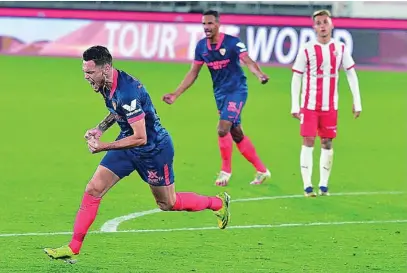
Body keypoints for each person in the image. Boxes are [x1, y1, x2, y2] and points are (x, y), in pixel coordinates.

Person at [44, 45, 230, 263]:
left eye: (89, 72)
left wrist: (103, 146)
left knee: (167, 203)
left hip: (153, 150)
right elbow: (117, 111)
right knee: (94, 189)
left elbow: (140, 137)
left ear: (105, 69)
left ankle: (217, 204)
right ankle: (73, 247)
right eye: (84, 72)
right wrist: (100, 128)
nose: (86, 77)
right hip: (127, 145)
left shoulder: (128, 92)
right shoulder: (105, 84)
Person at [162, 10, 271, 187]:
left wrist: (259, 75)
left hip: (237, 90)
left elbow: (247, 60)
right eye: (204, 24)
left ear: (218, 24)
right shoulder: (201, 47)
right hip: (220, 93)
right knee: (236, 133)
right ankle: (262, 170)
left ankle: (225, 171)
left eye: (210, 23)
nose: (206, 27)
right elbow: (193, 73)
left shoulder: (232, 42)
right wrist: (176, 94)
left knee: (222, 128)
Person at [290, 10, 362, 197]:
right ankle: (307, 185)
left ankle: (323, 185)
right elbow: (296, 76)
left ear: (332, 25)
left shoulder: (340, 48)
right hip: (310, 105)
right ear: (314, 27)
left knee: (327, 142)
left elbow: (351, 73)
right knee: (308, 140)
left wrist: (357, 101)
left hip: (331, 106)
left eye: (325, 22)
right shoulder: (306, 49)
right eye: (318, 23)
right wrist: (295, 105)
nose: (322, 26)